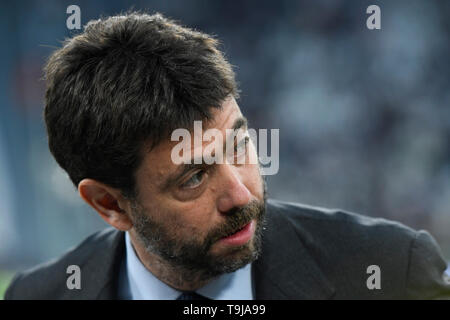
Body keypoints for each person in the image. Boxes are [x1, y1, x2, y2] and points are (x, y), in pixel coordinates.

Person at [5, 12, 450, 300]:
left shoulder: (392, 270)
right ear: (110, 203)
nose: (241, 194)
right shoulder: (35, 296)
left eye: (239, 145)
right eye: (193, 177)